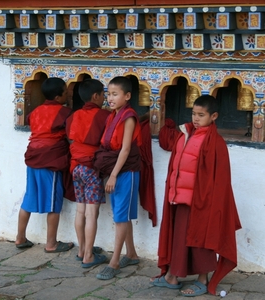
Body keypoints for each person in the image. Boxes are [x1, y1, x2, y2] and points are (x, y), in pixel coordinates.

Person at [151, 95, 241, 296]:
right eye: (194, 113)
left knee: (201, 241)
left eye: (201, 115)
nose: (196, 118)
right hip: (179, 197)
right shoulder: (185, 134)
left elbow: (220, 181)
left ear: (214, 116)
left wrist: (208, 202)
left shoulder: (215, 143)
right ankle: (172, 276)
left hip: (201, 201)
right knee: (178, 238)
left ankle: (202, 279)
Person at [15, 77, 74, 253]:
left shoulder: (35, 111)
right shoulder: (65, 112)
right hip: (51, 160)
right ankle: (51, 244)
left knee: (29, 198)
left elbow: (30, 122)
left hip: (33, 157)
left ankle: (20, 237)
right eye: (65, 92)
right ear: (58, 97)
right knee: (53, 203)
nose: (67, 95)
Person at [93, 76, 142, 280]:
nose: (110, 98)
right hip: (118, 169)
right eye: (109, 93)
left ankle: (114, 262)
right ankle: (131, 254)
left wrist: (112, 175)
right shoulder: (114, 115)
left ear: (127, 96)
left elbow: (126, 149)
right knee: (122, 216)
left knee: (120, 217)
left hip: (126, 172)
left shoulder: (128, 117)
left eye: (115, 94)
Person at [66, 79, 110, 268]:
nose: (104, 98)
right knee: (92, 214)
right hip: (91, 168)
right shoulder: (103, 116)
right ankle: (89, 256)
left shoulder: (74, 115)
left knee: (81, 210)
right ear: (96, 96)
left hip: (76, 167)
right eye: (103, 95)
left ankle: (82, 249)